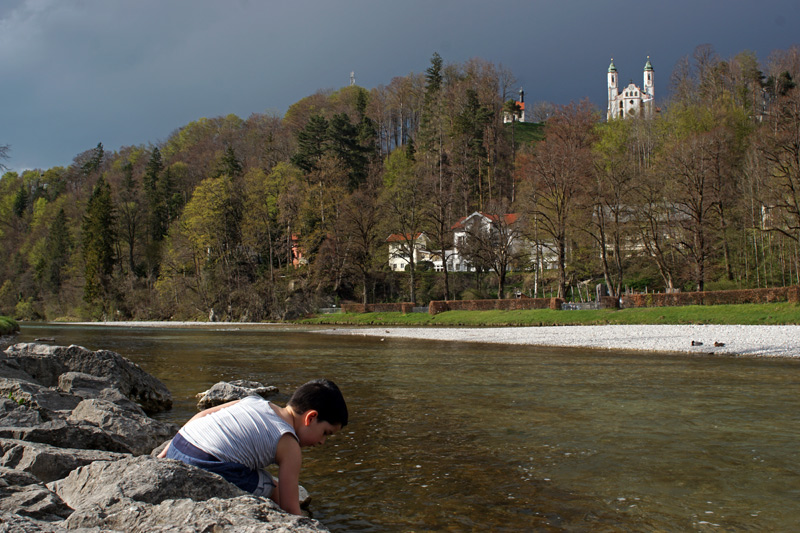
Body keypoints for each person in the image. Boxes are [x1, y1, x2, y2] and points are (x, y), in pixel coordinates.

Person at [158, 378, 348, 515]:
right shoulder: (290, 445)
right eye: (326, 433)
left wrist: (173, 443)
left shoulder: (254, 400)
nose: (323, 442)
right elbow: (290, 507)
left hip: (180, 445)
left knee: (264, 477)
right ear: (311, 417)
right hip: (205, 464)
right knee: (273, 487)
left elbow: (202, 415)